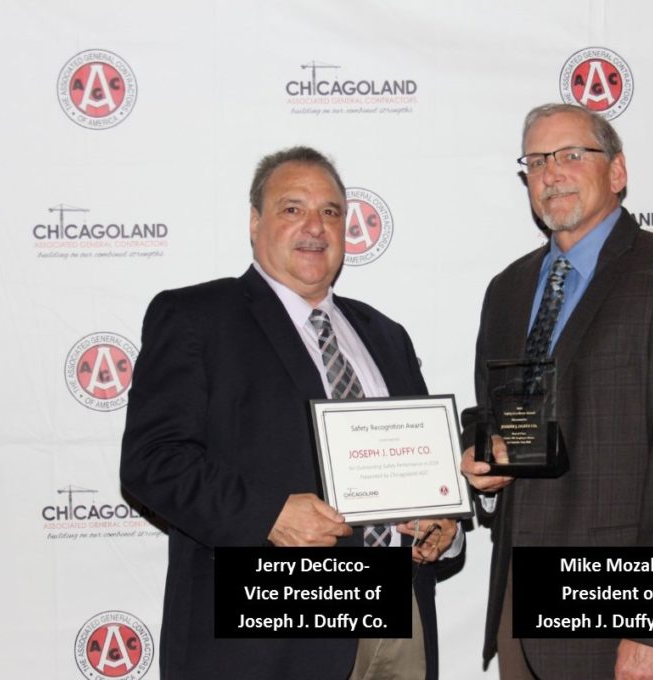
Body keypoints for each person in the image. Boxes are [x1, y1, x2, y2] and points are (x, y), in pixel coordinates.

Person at [121, 146, 461, 680]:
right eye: (292, 208)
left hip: (398, 627)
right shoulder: (196, 317)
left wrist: (443, 525)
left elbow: (427, 473)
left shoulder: (385, 336)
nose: (315, 226)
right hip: (267, 640)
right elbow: (154, 462)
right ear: (255, 222)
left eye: (331, 212)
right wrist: (268, 516)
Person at [460, 103, 653, 680]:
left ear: (617, 173)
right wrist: (484, 471)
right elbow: (497, 418)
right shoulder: (507, 290)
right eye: (536, 161)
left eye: (570, 155)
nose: (552, 172)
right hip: (521, 606)